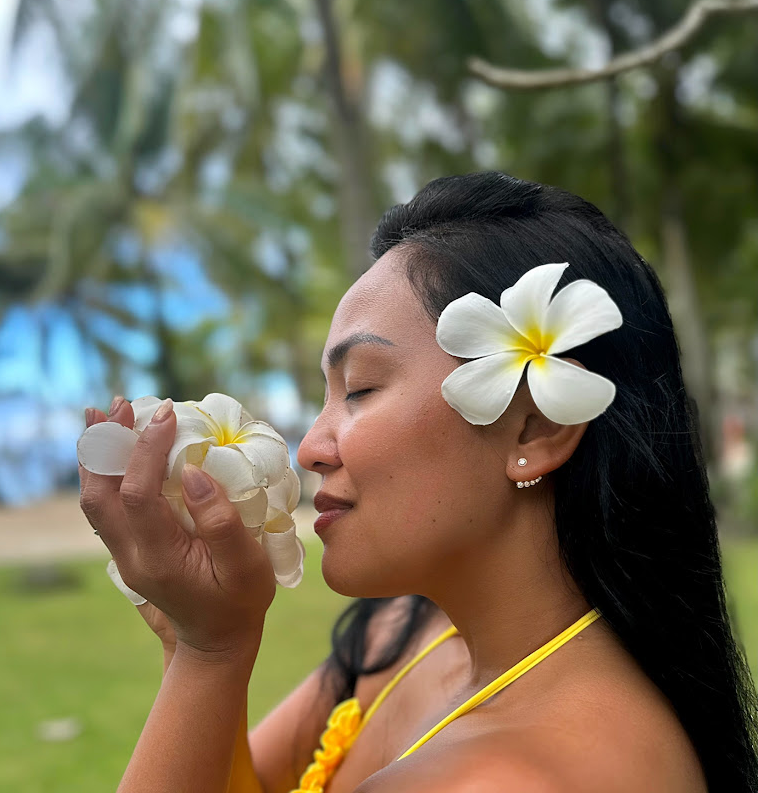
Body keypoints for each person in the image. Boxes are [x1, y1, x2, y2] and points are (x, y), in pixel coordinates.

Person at [80, 171, 758, 792]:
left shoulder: (508, 781)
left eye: (360, 388)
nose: (309, 449)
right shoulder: (406, 634)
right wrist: (192, 642)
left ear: (534, 428)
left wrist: (211, 654)